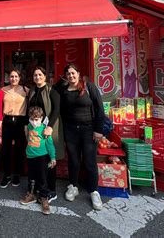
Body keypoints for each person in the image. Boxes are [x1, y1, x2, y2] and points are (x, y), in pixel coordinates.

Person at [57, 64, 104, 211]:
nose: (71, 76)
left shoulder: (89, 87)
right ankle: (73, 186)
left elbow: (99, 108)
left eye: (73, 73)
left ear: (78, 73)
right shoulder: (64, 90)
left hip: (88, 130)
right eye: (68, 74)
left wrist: (98, 130)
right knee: (74, 160)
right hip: (70, 130)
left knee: (90, 161)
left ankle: (94, 191)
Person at [27, 66, 61, 203]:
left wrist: (50, 127)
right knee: (38, 159)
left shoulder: (52, 90)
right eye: (35, 75)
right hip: (35, 129)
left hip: (47, 129)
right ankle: (39, 188)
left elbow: (56, 109)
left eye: (40, 75)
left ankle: (51, 190)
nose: (38, 77)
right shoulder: (32, 90)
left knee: (49, 159)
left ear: (45, 76)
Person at [20, 106, 56, 215]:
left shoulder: (44, 129)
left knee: (42, 177)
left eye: (36, 119)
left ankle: (43, 198)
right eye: (32, 119)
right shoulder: (29, 126)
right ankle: (31, 194)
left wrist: (53, 157)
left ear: (41, 118)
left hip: (42, 157)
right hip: (30, 156)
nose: (34, 122)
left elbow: (50, 145)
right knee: (31, 176)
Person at [0, 69, 29, 188]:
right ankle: (6, 174)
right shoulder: (3, 90)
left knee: (19, 149)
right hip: (7, 120)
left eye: (16, 76)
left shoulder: (26, 90)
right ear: (8, 77)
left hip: (20, 121)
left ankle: (17, 174)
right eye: (11, 76)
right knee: (5, 149)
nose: (14, 79)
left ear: (20, 77)